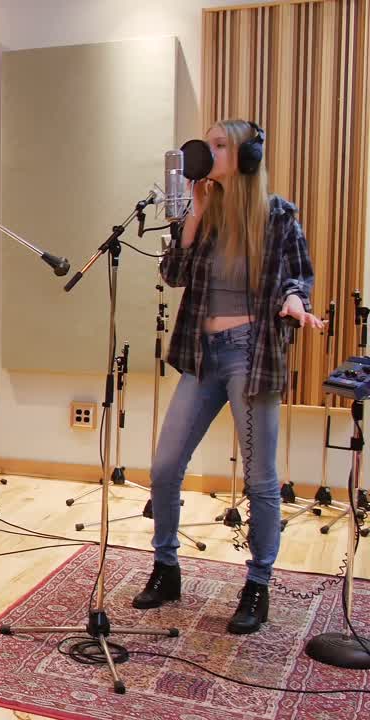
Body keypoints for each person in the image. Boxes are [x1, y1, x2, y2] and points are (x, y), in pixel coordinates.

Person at [134, 119, 321, 634]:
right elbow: (171, 275)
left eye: (219, 145)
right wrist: (192, 215)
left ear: (247, 156)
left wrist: (293, 301)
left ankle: (257, 584)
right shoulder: (205, 213)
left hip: (250, 353)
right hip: (202, 354)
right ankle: (166, 568)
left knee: (259, 479)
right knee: (166, 465)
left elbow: (298, 275)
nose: (207, 152)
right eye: (207, 143)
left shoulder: (278, 215)